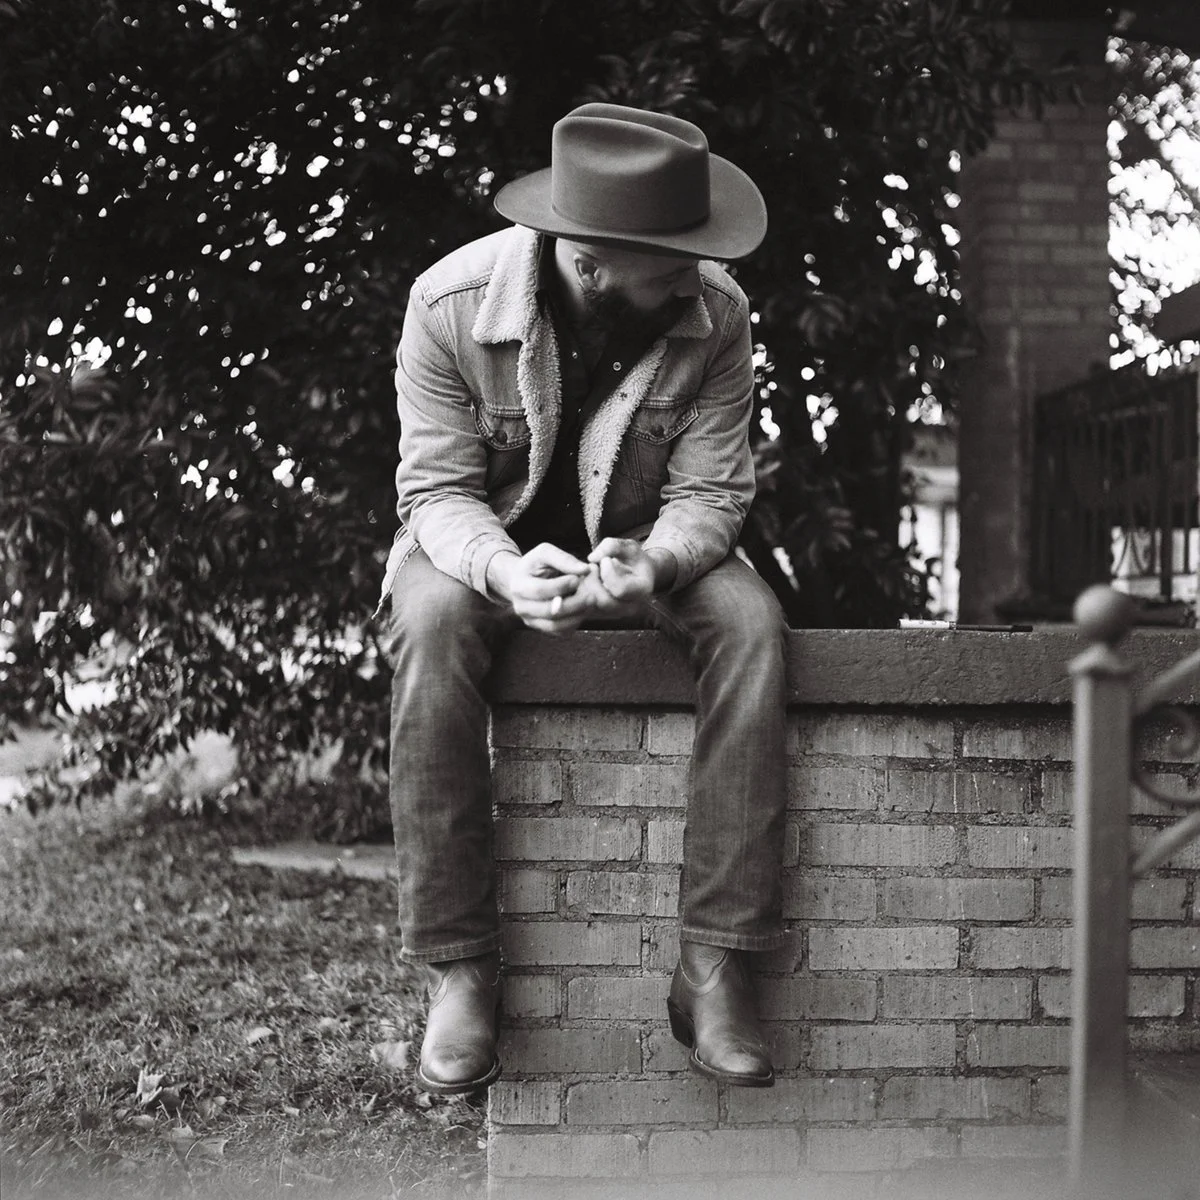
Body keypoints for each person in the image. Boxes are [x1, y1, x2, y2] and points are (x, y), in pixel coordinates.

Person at [378, 102, 789, 1095]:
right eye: (673, 266)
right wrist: (505, 572)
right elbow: (436, 495)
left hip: (644, 550)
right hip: (484, 550)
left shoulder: (717, 313)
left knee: (751, 624)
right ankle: (461, 968)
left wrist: (654, 565)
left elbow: (712, 494)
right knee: (427, 621)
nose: (695, 280)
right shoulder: (448, 305)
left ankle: (715, 963)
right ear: (592, 264)